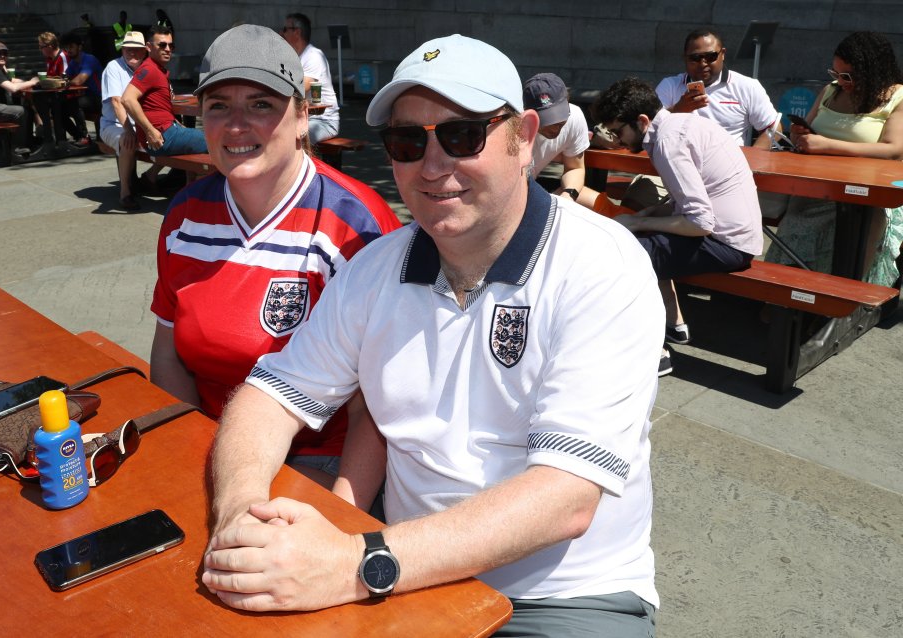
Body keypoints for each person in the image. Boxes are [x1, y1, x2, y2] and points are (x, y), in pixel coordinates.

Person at [202, 34, 662, 637]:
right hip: (401, 574)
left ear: (524, 138)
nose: (433, 164)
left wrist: (353, 562)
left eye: (462, 135)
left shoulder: (600, 265)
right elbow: (269, 397)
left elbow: (564, 498)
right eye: (407, 141)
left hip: (562, 596)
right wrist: (238, 517)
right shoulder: (375, 268)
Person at [149, 25, 400, 487]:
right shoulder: (185, 216)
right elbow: (168, 357)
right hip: (206, 438)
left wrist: (340, 520)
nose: (236, 125)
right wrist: (182, 452)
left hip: (320, 459)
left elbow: (382, 409)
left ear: (303, 116)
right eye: (219, 106)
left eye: (261, 105)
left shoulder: (358, 227)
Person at [594, 76, 763, 376]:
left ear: (642, 120)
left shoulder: (667, 143)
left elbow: (700, 222)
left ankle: (655, 351)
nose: (618, 140)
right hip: (734, 236)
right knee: (639, 239)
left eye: (619, 131)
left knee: (627, 256)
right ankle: (676, 325)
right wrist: (646, 215)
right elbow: (687, 201)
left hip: (728, 244)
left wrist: (638, 221)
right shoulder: (680, 125)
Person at [766, 31, 903, 287]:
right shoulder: (831, 90)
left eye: (848, 75)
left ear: (873, 70)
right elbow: (809, 131)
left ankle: (835, 300)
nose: (841, 81)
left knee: (857, 230)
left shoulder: (897, 97)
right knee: (796, 221)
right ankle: (785, 294)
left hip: (869, 192)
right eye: (836, 73)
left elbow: (894, 150)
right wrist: (801, 134)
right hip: (818, 186)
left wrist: (827, 145)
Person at [656, 28, 781, 148]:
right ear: (685, 58)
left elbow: (773, 128)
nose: (703, 63)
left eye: (710, 57)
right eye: (695, 58)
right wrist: (678, 110)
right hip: (678, 162)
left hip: (729, 166)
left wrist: (752, 158)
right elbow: (649, 126)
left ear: (723, 54)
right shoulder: (669, 86)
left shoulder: (747, 87)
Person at [122, 25, 207, 157]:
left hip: (167, 131)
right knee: (217, 140)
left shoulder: (158, 69)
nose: (167, 49)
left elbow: (161, 108)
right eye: (162, 45)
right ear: (149, 47)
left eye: (170, 46)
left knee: (205, 137)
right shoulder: (148, 69)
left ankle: (159, 176)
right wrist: (150, 131)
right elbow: (127, 99)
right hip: (160, 137)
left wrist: (178, 126)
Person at [99, 31, 158, 210]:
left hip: (139, 123)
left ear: (145, 51)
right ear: (122, 50)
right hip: (114, 125)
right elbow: (117, 102)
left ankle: (150, 176)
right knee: (127, 141)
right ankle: (125, 193)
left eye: (137, 49)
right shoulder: (113, 67)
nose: (132, 53)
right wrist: (129, 129)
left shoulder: (148, 68)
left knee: (172, 138)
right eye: (128, 49)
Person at [522, 72, 590, 202]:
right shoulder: (512, 128)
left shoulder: (574, 117)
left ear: (568, 101)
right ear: (528, 114)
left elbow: (574, 167)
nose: (554, 126)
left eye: (560, 116)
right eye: (546, 120)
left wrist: (568, 195)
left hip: (532, 189)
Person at [281, 13, 340, 143]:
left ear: (296, 32)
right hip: (304, 117)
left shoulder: (313, 56)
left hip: (323, 121)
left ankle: (305, 164)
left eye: (285, 29)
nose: (281, 33)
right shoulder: (295, 58)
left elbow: (299, 89)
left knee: (291, 140)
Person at [61, 31, 103, 145]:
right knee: (59, 108)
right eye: (66, 47)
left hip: (100, 98)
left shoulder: (89, 59)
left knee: (74, 103)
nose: (68, 50)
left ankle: (84, 137)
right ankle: (77, 136)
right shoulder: (73, 63)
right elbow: (64, 77)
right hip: (87, 97)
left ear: (79, 47)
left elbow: (79, 80)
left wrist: (66, 82)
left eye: (71, 47)